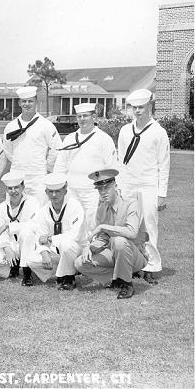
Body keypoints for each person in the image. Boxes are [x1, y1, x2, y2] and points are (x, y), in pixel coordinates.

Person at [116, 88, 170, 285]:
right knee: (129, 226)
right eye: (134, 107)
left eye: (141, 107)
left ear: (150, 107)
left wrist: (161, 194)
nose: (137, 111)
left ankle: (152, 266)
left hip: (148, 185)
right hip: (128, 184)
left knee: (149, 226)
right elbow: (120, 161)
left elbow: (164, 164)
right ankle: (135, 263)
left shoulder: (158, 132)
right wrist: (120, 187)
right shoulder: (124, 131)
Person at [74, 168, 148, 299]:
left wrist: (103, 227)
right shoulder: (102, 209)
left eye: (107, 188)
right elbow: (102, 237)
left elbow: (132, 233)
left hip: (135, 255)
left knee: (119, 241)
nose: (103, 192)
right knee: (80, 263)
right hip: (114, 252)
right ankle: (116, 279)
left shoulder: (131, 204)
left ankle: (127, 284)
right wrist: (89, 248)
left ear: (115, 186)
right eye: (99, 189)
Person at [53, 102, 116, 231]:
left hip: (93, 191)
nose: (82, 119)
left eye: (86, 116)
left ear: (94, 117)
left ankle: (92, 249)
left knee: (92, 224)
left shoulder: (103, 139)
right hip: (71, 190)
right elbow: (60, 166)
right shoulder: (70, 138)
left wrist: (108, 191)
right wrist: (59, 187)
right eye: (79, 116)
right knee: (71, 224)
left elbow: (111, 167)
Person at [21, 173, 85, 290]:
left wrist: (51, 239)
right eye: (50, 191)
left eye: (58, 191)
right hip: (57, 252)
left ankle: (69, 278)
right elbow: (41, 237)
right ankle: (60, 274)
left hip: (77, 250)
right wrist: (45, 253)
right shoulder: (44, 211)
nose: (54, 195)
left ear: (65, 190)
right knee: (31, 260)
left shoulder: (75, 206)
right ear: (46, 192)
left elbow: (75, 235)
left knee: (66, 244)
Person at [3, 86, 62, 205]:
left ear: (36, 101)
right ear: (19, 103)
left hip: (37, 176)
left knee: (39, 210)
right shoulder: (11, 126)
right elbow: (8, 149)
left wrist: (47, 165)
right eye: (24, 101)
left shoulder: (45, 125)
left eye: (30, 101)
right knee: (15, 210)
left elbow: (56, 148)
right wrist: (18, 162)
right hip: (17, 175)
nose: (27, 104)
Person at [0, 170, 39, 280]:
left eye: (16, 187)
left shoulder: (33, 202)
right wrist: (7, 248)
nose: (13, 191)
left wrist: (8, 226)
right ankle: (13, 267)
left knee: (26, 232)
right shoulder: (2, 207)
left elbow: (33, 225)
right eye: (10, 188)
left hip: (29, 244)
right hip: (12, 244)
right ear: (7, 190)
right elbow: (1, 232)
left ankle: (27, 273)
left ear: (23, 187)